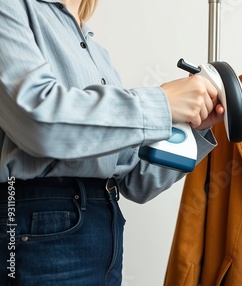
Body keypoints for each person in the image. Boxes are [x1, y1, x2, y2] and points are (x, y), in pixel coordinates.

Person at [0, 0, 223, 285]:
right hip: (39, 222)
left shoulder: (94, 50)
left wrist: (194, 129)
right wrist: (163, 102)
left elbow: (135, 180)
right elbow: (39, 123)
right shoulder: (11, 8)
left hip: (103, 222)